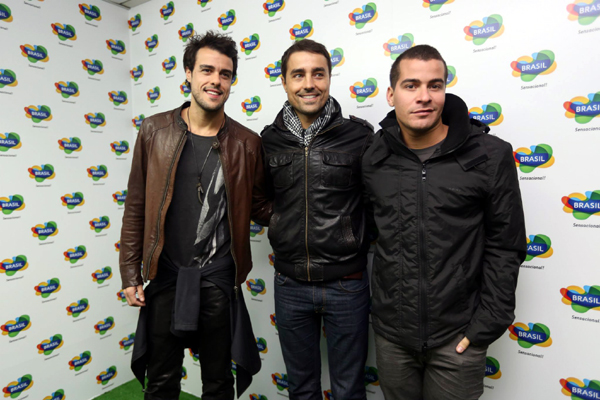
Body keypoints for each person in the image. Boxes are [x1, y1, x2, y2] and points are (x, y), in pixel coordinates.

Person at [362, 44, 526, 400]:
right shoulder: (374, 157)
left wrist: (485, 325)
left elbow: (507, 245)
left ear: (445, 90)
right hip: (393, 337)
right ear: (391, 95)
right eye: (411, 85)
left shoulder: (490, 154)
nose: (424, 96)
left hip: (458, 339)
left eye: (435, 85)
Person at [119, 31, 271, 400]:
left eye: (225, 73)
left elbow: (261, 206)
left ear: (232, 81)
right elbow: (136, 205)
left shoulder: (247, 143)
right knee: (161, 380)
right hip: (166, 274)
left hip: (219, 277)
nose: (215, 80)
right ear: (188, 73)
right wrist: (129, 273)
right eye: (206, 70)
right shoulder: (154, 130)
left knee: (218, 382)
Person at [261, 39, 374, 400]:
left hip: (347, 284)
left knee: (348, 390)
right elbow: (256, 198)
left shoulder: (359, 136)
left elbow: (377, 202)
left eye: (318, 74)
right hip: (289, 283)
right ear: (284, 81)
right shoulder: (268, 140)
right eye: (298, 74)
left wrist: (351, 234)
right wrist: (280, 220)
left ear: (328, 77)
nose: (309, 83)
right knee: (302, 388)